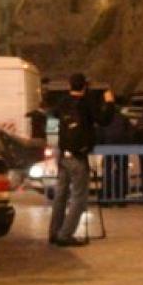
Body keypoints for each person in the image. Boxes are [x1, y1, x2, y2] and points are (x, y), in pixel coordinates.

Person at [49, 72, 117, 246]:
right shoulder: (87, 104)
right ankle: (65, 235)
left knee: (60, 196)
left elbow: (52, 115)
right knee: (79, 197)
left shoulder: (63, 102)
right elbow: (104, 120)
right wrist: (109, 102)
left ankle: (54, 232)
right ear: (85, 86)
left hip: (63, 155)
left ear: (70, 85)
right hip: (78, 156)